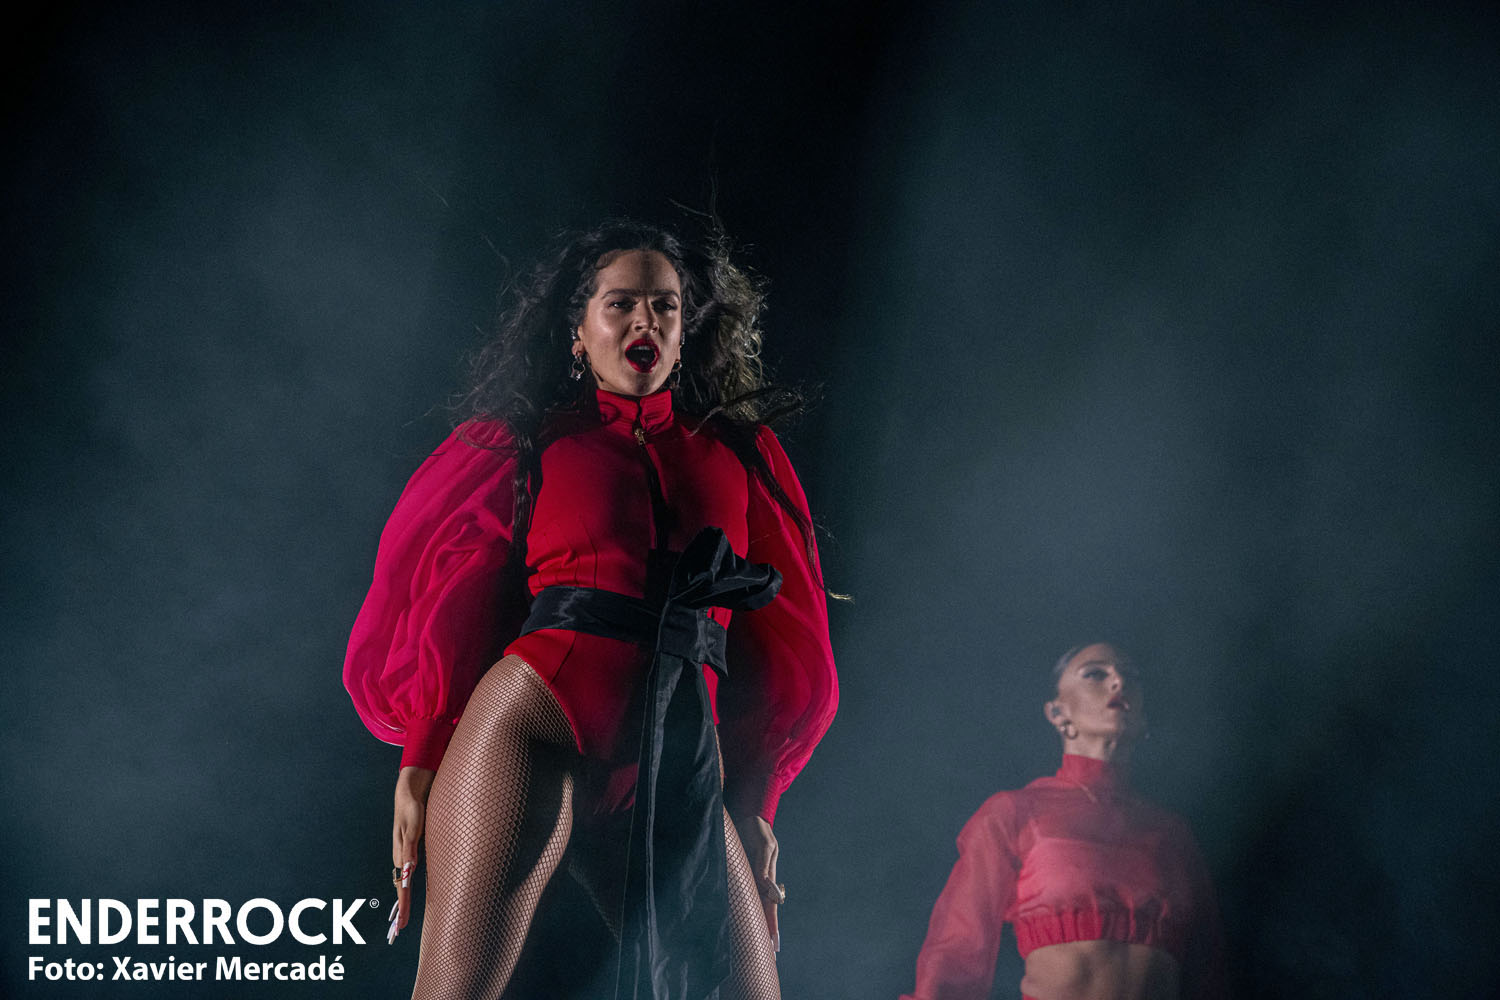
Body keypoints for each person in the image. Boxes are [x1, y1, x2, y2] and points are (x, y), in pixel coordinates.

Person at [343, 220, 837, 1000]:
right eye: (622, 304)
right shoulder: (523, 445)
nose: (646, 321)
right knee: (454, 991)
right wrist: (421, 754)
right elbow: (450, 598)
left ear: (686, 329)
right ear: (578, 332)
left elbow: (787, 646)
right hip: (536, 722)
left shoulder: (741, 457)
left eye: (665, 307)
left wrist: (757, 800)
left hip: (678, 761)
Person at [901, 643, 1227, 1000]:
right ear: (1057, 712)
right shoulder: (1015, 812)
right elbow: (957, 954)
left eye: (1130, 676)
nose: (1118, 681)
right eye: (1095, 674)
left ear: (1144, 715)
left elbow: (1209, 972)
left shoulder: (1172, 833)